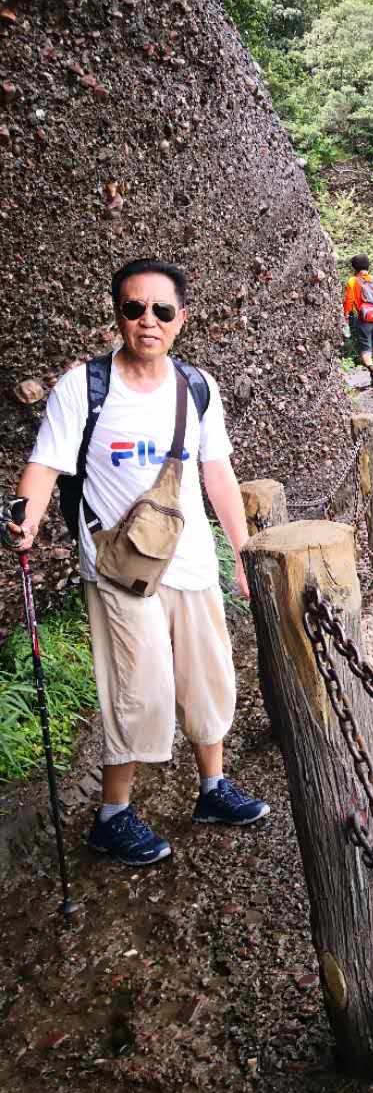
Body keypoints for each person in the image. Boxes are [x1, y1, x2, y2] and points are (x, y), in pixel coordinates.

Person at [5, 259, 269, 866]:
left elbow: (217, 472)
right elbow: (47, 465)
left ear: (180, 319)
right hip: (122, 567)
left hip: (191, 560)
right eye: (134, 308)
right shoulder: (86, 387)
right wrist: (28, 517)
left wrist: (243, 550)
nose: (148, 320)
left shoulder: (197, 387)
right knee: (139, 690)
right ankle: (113, 814)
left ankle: (212, 789)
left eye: (162, 310)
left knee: (209, 679)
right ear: (118, 315)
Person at [342, 253, 373, 387]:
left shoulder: (352, 281)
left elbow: (348, 301)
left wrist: (345, 315)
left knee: (365, 348)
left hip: (363, 320)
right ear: (367, 265)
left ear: (355, 268)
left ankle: (372, 372)